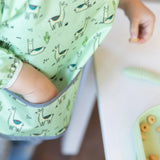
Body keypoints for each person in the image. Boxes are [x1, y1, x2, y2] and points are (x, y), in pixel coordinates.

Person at [0, 0, 155, 160]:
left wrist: (128, 3)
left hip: (49, 102)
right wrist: (33, 85)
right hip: (8, 104)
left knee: (25, 147)